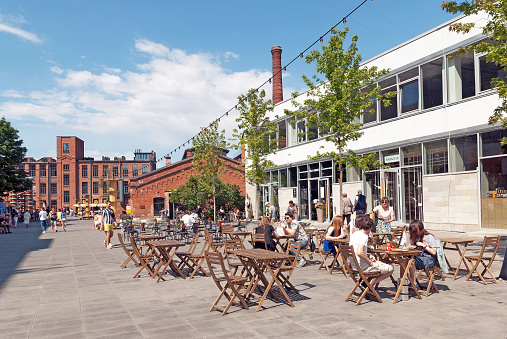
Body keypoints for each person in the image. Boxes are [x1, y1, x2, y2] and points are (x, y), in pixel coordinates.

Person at [349, 216, 393, 286]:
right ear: (370, 227)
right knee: (390, 269)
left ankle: (367, 283)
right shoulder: (364, 236)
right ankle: (368, 284)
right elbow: (359, 252)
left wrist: (368, 256)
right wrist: (368, 261)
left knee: (378, 266)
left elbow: (356, 250)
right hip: (363, 266)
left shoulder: (354, 234)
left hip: (354, 265)